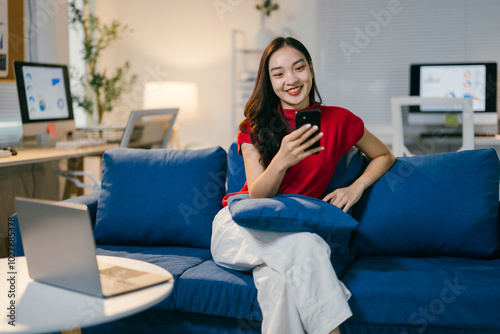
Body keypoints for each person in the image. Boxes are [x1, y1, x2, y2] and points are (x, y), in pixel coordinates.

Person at [211, 37, 395, 334]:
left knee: (280, 284)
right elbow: (257, 195)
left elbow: (385, 155)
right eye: (279, 73)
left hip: (287, 236)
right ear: (269, 82)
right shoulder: (253, 127)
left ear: (310, 70)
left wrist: (356, 187)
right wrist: (282, 160)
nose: (291, 80)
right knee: (308, 245)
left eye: (298, 68)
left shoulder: (340, 120)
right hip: (239, 227)